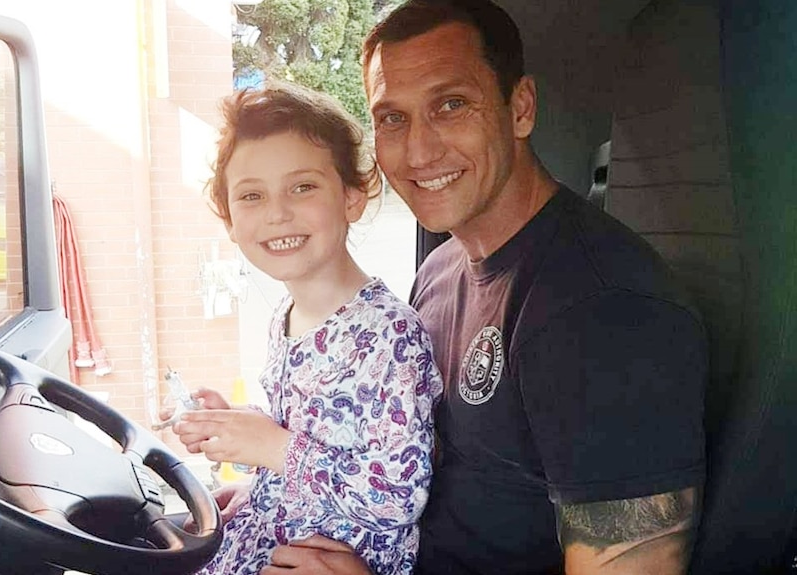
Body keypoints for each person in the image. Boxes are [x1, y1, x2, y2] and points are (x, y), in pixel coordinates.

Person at [262, 1, 708, 574]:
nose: (420, 152)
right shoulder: (441, 271)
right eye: (393, 118)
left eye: (451, 105)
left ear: (519, 109)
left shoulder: (605, 313)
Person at [169, 81, 444, 575]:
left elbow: (398, 495)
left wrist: (272, 449)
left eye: (302, 187)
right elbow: (312, 428)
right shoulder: (286, 317)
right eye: (252, 196)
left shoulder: (389, 336)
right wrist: (235, 424)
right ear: (230, 220)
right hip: (272, 528)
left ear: (354, 198)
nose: (277, 213)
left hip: (334, 558)